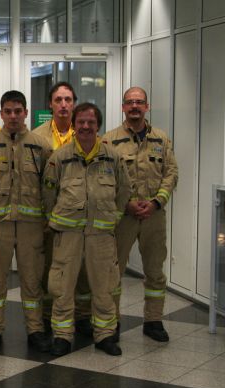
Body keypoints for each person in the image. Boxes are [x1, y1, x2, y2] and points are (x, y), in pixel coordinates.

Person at [43, 103, 131, 357]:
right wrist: (54, 219)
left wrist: (114, 216)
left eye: (90, 122)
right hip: (67, 235)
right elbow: (48, 192)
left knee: (104, 287)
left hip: (101, 235)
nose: (85, 126)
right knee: (62, 287)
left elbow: (124, 190)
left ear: (97, 126)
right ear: (73, 124)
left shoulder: (112, 157)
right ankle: (62, 335)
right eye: (80, 121)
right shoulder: (60, 157)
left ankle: (104, 335)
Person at [0, 90, 52, 354]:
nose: (13, 116)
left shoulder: (41, 146)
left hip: (31, 225)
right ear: (1, 113)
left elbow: (50, 184)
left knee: (32, 280)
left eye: (18, 111)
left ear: (26, 112)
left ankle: (35, 329)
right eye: (8, 111)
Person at [101, 87, 178, 342]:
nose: (135, 106)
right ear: (123, 107)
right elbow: (105, 178)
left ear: (147, 106)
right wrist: (127, 204)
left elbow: (171, 174)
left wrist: (157, 202)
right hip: (123, 216)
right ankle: (112, 324)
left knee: (155, 271)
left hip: (154, 216)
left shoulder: (161, 139)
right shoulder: (110, 140)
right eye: (130, 102)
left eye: (139, 102)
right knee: (114, 271)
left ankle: (153, 321)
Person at [32, 82, 93, 339]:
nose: (64, 105)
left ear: (74, 103)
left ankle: (82, 316)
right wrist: (46, 215)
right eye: (58, 100)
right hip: (49, 216)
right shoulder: (36, 137)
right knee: (50, 270)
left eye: (68, 99)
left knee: (82, 271)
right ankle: (48, 317)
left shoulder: (87, 134)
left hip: (80, 217)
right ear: (50, 104)